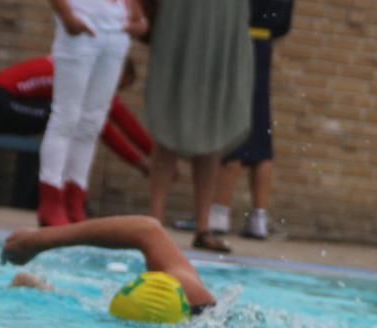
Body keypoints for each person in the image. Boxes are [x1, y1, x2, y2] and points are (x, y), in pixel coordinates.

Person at [145, 0, 254, 254]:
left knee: (213, 120)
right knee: (168, 112)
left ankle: (203, 227)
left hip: (224, 22)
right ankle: (154, 222)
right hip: (180, 20)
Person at [38, 0, 148, 227]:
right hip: (82, 22)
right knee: (66, 117)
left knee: (92, 122)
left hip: (116, 30)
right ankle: (51, 200)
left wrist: (137, 15)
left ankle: (75, 200)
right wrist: (66, 15)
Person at [1, 215, 216, 323]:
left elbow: (148, 229)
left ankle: (43, 290)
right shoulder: (198, 305)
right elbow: (146, 231)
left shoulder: (195, 300)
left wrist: (38, 240)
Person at [0, 56, 154, 175]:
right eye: (116, 86)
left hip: (0, 102)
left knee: (65, 124)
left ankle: (48, 194)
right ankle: (55, 195)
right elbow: (104, 128)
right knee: (70, 120)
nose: (112, 92)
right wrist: (140, 163)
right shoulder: (83, 79)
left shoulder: (83, 71)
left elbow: (123, 119)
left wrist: (156, 154)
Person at [209, 0, 295, 240]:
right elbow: (283, 25)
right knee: (260, 127)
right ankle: (259, 216)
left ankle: (219, 212)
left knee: (234, 124)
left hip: (237, 42)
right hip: (263, 43)